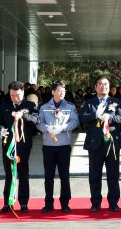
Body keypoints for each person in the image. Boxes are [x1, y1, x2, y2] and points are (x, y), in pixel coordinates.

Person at [80, 76, 121, 212]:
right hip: (95, 144)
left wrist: (109, 117)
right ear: (95, 87)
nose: (103, 86)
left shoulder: (116, 101)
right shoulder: (89, 102)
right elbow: (83, 118)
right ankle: (95, 202)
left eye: (105, 84)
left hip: (111, 142)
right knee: (94, 175)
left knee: (113, 174)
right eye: (100, 84)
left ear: (109, 86)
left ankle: (113, 202)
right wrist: (96, 116)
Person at [37, 80, 80, 214]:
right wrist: (47, 128)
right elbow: (39, 123)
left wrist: (63, 127)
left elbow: (75, 121)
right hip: (48, 146)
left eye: (64, 91)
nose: (62, 93)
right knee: (48, 176)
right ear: (53, 92)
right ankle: (48, 203)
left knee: (64, 176)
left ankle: (65, 203)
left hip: (64, 146)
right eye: (59, 91)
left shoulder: (70, 106)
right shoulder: (44, 107)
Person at [0, 81, 39, 213]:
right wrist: (1, 129)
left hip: (23, 145)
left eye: (18, 95)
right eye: (12, 95)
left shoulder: (30, 105)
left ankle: (24, 203)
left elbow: (36, 119)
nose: (15, 98)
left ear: (23, 93)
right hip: (8, 145)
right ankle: (7, 203)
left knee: (23, 172)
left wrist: (24, 116)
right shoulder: (5, 105)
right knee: (9, 173)